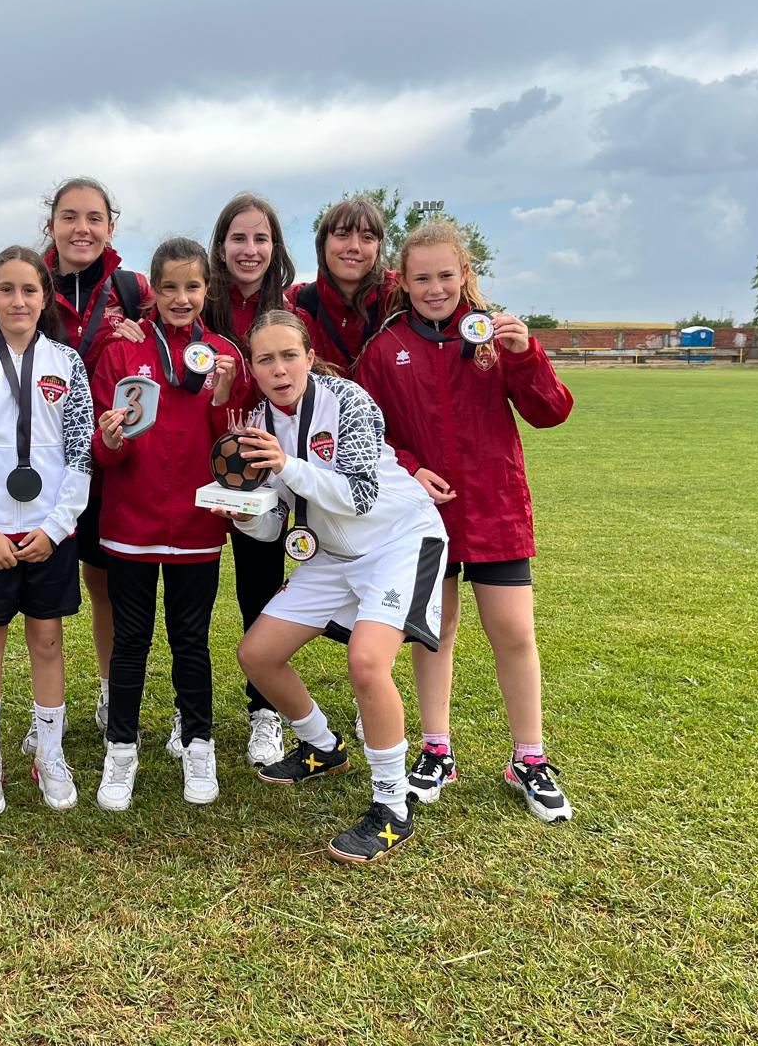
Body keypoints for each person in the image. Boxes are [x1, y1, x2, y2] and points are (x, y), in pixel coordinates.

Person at [354, 219, 576, 823]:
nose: (435, 288)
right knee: (436, 630)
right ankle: (437, 749)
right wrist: (410, 467)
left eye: (446, 275)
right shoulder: (385, 347)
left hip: (496, 508)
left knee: (514, 632)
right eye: (422, 278)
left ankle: (528, 758)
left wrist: (525, 355)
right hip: (425, 516)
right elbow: (369, 434)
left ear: (465, 275)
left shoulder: (494, 336)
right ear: (403, 280)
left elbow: (551, 411)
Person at [234, 310, 448, 864]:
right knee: (257, 655)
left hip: (399, 541)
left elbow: (359, 496)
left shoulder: (347, 400)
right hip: (333, 555)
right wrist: (240, 510)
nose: (279, 369)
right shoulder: (258, 421)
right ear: (252, 369)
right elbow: (273, 520)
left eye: (288, 355)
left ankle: (393, 805)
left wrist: (287, 464)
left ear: (309, 357)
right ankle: (323, 748)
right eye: (265, 359)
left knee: (367, 663)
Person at [90, 236, 246, 810]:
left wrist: (224, 397)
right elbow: (104, 452)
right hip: (130, 524)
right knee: (129, 643)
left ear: (208, 290)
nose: (182, 298)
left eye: (194, 286)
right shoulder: (122, 351)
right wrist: (108, 439)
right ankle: (121, 750)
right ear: (153, 289)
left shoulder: (223, 354)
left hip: (198, 529)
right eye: (171, 287)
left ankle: (199, 742)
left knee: (191, 641)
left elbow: (232, 445)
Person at [0, 246, 93, 816]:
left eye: (29, 290)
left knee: (48, 641)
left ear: (45, 297)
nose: (18, 300)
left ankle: (49, 755)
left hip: (49, 534)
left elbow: (80, 453)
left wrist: (56, 528)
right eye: (5, 289)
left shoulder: (68, 363)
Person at [37, 177, 152, 740]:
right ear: (52, 224)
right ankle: (45, 707)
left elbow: (175, 344)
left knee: (104, 582)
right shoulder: (28, 283)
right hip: (41, 468)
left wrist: (144, 334)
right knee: (43, 584)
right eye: (69, 216)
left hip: (113, 462)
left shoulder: (134, 289)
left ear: (110, 226)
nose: (81, 228)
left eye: (94, 218)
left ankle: (112, 692)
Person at [201, 192, 299, 765]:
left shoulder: (288, 310)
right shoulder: (198, 302)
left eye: (261, 238)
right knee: (190, 595)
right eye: (239, 237)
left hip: (262, 472)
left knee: (258, 589)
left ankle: (264, 712)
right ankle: (193, 714)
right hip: (196, 466)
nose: (250, 249)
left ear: (275, 247)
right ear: (221, 245)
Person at [293, 196, 396, 375]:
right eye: (342, 234)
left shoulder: (401, 296)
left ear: (378, 248)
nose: (354, 246)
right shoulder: (295, 304)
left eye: (367, 237)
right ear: (322, 242)